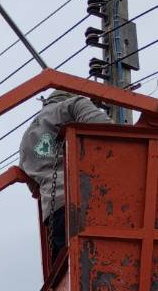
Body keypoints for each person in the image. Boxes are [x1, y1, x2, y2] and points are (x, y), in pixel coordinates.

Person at [18, 90, 112, 266]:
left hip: (53, 215)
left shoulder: (26, 138)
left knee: (68, 272)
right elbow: (106, 129)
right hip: (81, 204)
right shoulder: (71, 105)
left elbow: (33, 187)